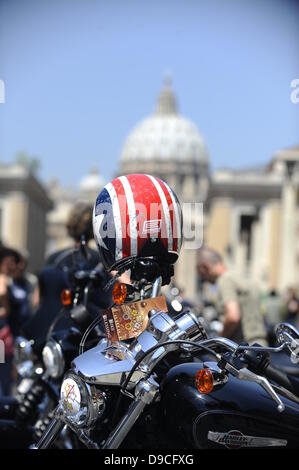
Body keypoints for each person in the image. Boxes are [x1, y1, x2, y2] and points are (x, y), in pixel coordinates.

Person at [196, 246, 268, 346]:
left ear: (205, 267)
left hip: (245, 348)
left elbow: (233, 316)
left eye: (202, 275)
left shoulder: (225, 280)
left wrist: (218, 341)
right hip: (260, 344)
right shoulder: (240, 276)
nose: (205, 280)